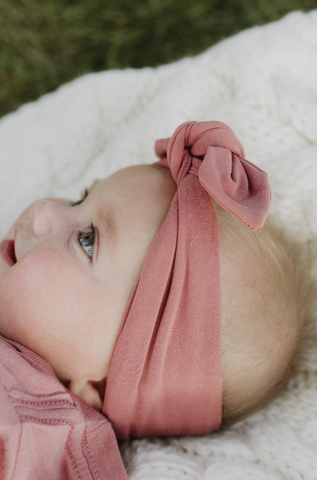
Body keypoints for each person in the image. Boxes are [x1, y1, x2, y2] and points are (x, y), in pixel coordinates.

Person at [0, 121, 312, 478]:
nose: (44, 210)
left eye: (87, 241)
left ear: (98, 386)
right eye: (80, 197)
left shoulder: (38, 440)